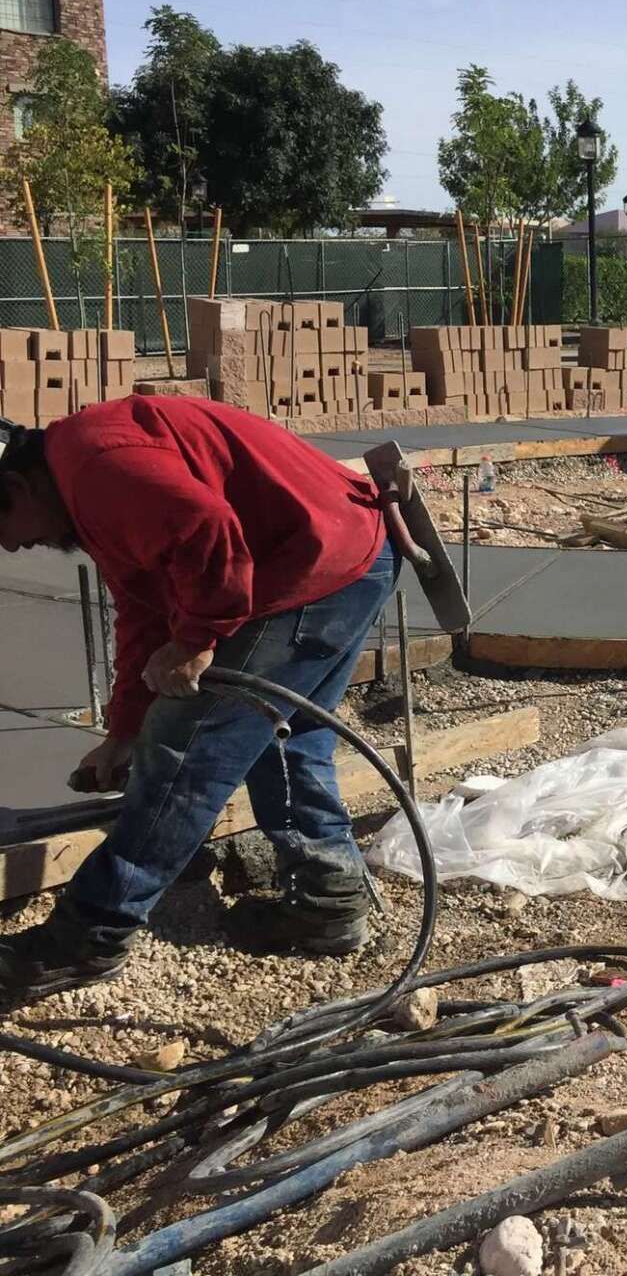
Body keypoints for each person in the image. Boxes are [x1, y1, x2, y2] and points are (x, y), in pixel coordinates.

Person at [0, 396, 397, 1002]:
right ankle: (328, 902)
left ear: (14, 486)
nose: (9, 548)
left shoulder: (98, 466)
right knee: (281, 736)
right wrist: (123, 727)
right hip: (350, 548)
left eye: (0, 529)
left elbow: (207, 527)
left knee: (184, 749)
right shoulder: (84, 482)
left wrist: (196, 639)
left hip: (308, 563)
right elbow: (142, 605)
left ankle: (88, 939)